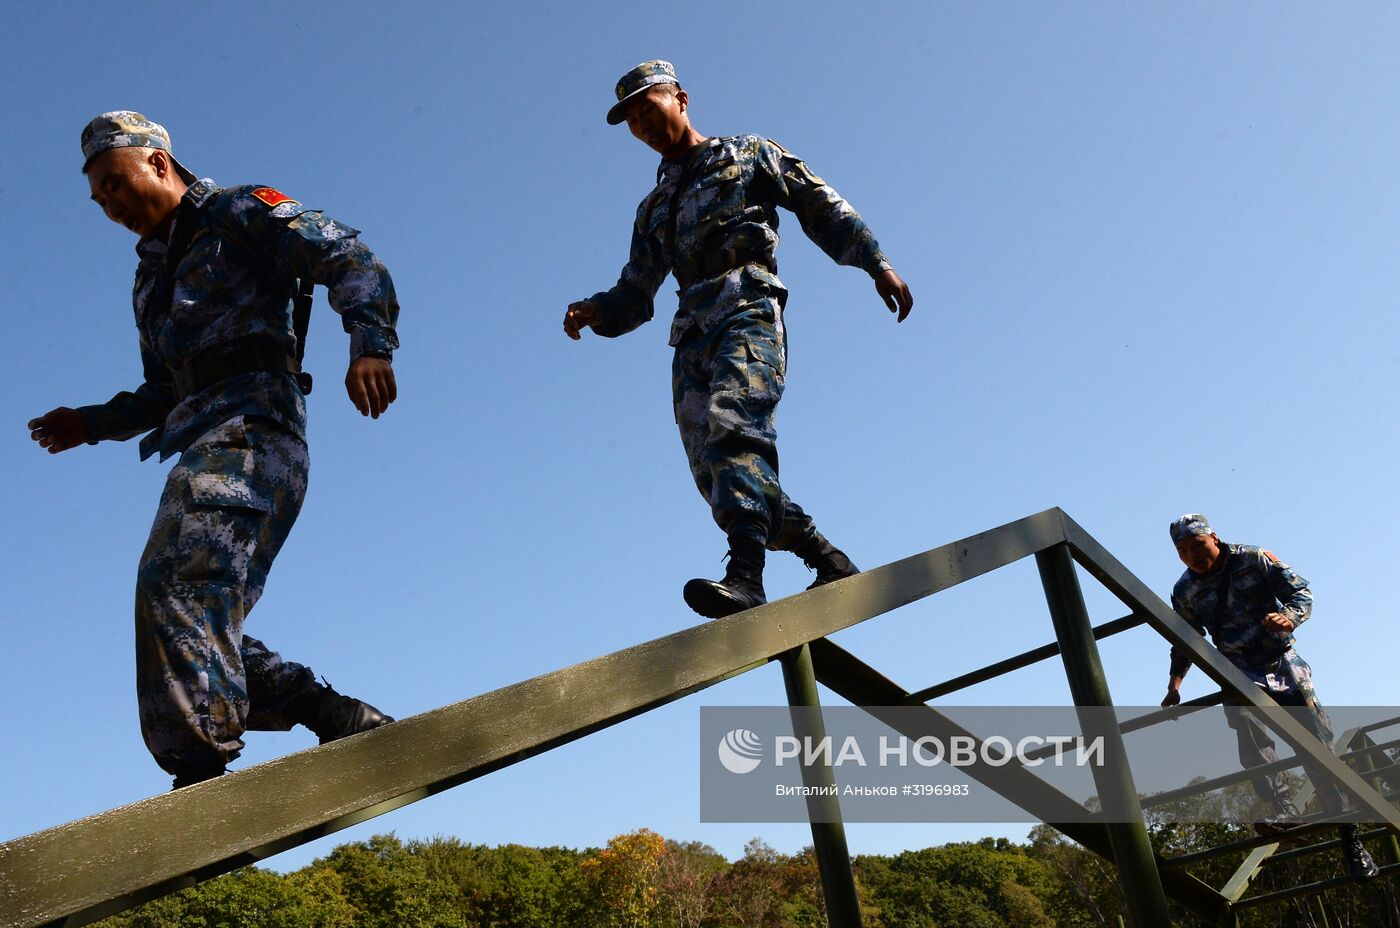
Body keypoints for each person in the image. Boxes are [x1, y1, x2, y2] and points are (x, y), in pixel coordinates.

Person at [27, 112, 399, 789]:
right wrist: (90, 422)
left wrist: (370, 343)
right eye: (99, 198)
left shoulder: (236, 213)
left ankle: (199, 767)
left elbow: (346, 256)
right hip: (205, 437)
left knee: (173, 582)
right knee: (198, 613)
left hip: (257, 429)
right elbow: (161, 390)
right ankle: (331, 711)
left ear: (159, 164)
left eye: (115, 184)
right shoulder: (149, 282)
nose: (109, 205)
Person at [563, 60, 914, 618]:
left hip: (746, 306)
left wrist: (875, 263)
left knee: (736, 428)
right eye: (632, 122)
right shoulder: (653, 208)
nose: (643, 127)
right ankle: (826, 557)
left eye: (648, 110)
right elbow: (636, 293)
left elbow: (816, 202)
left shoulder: (746, 153)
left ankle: (746, 577)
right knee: (714, 470)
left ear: (679, 98)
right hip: (690, 336)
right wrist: (596, 311)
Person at [1161, 514, 1378, 881]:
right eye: (1183, 552)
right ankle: (1283, 811)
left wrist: (1289, 617)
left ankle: (1351, 841)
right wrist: (1175, 684)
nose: (1193, 556)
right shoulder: (1184, 591)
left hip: (1281, 662)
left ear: (1214, 537)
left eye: (1197, 546)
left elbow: (1301, 591)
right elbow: (1185, 638)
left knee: (1317, 748)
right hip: (1237, 671)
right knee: (1250, 734)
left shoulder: (1254, 557)